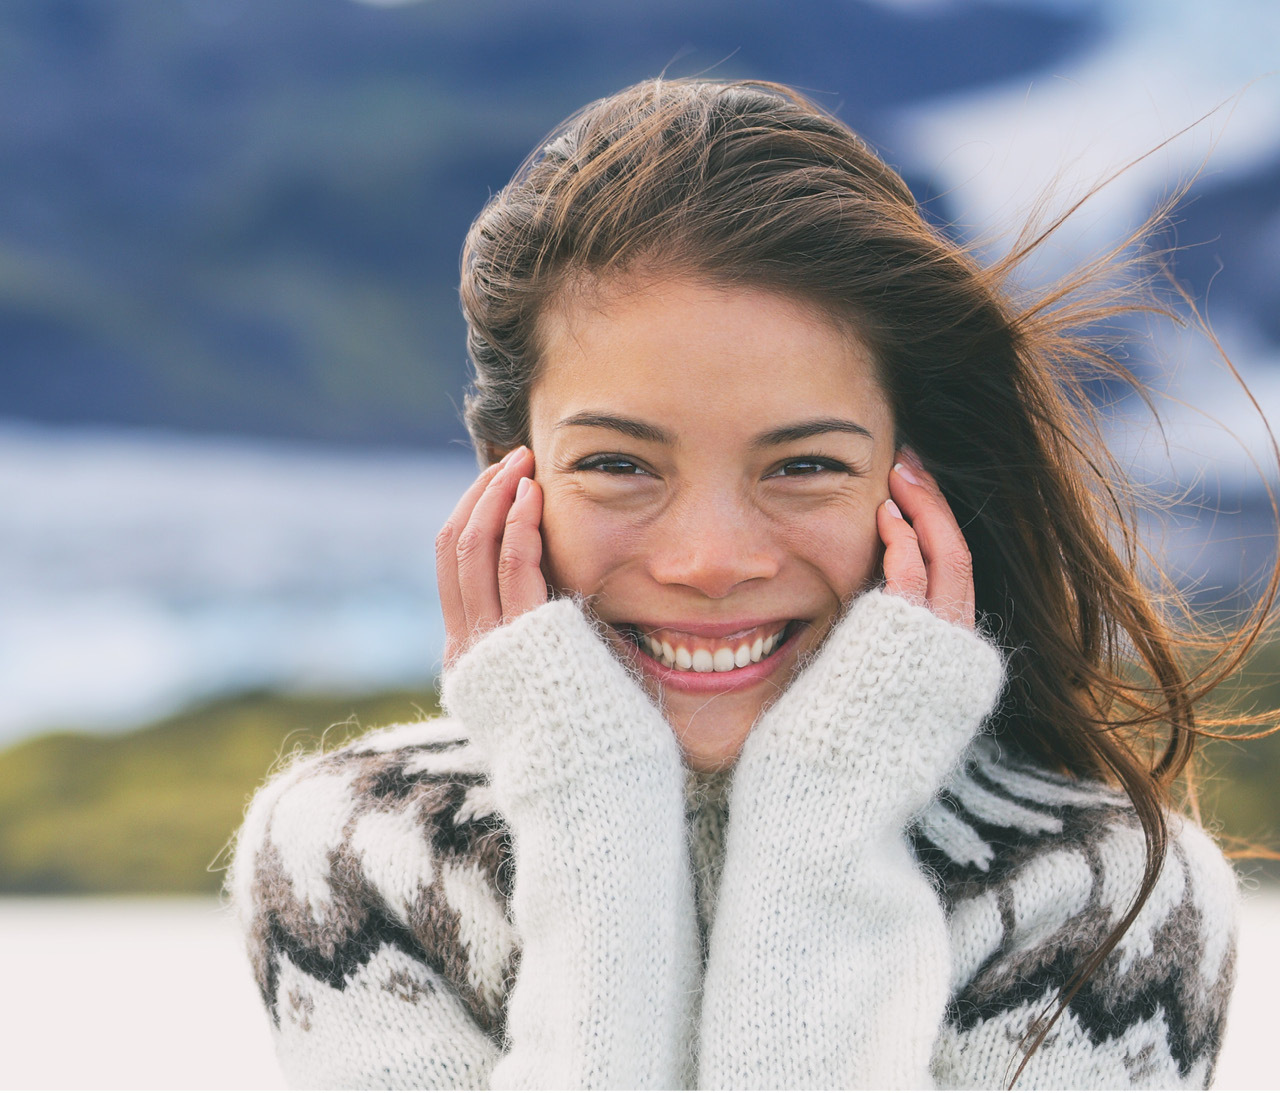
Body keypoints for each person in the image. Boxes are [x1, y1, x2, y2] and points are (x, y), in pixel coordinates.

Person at [229, 78, 1270, 1089]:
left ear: (917, 481)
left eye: (803, 464)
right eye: (618, 464)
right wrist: (588, 809)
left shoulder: (1110, 898)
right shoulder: (355, 854)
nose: (710, 559)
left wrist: (826, 825)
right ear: (510, 472)